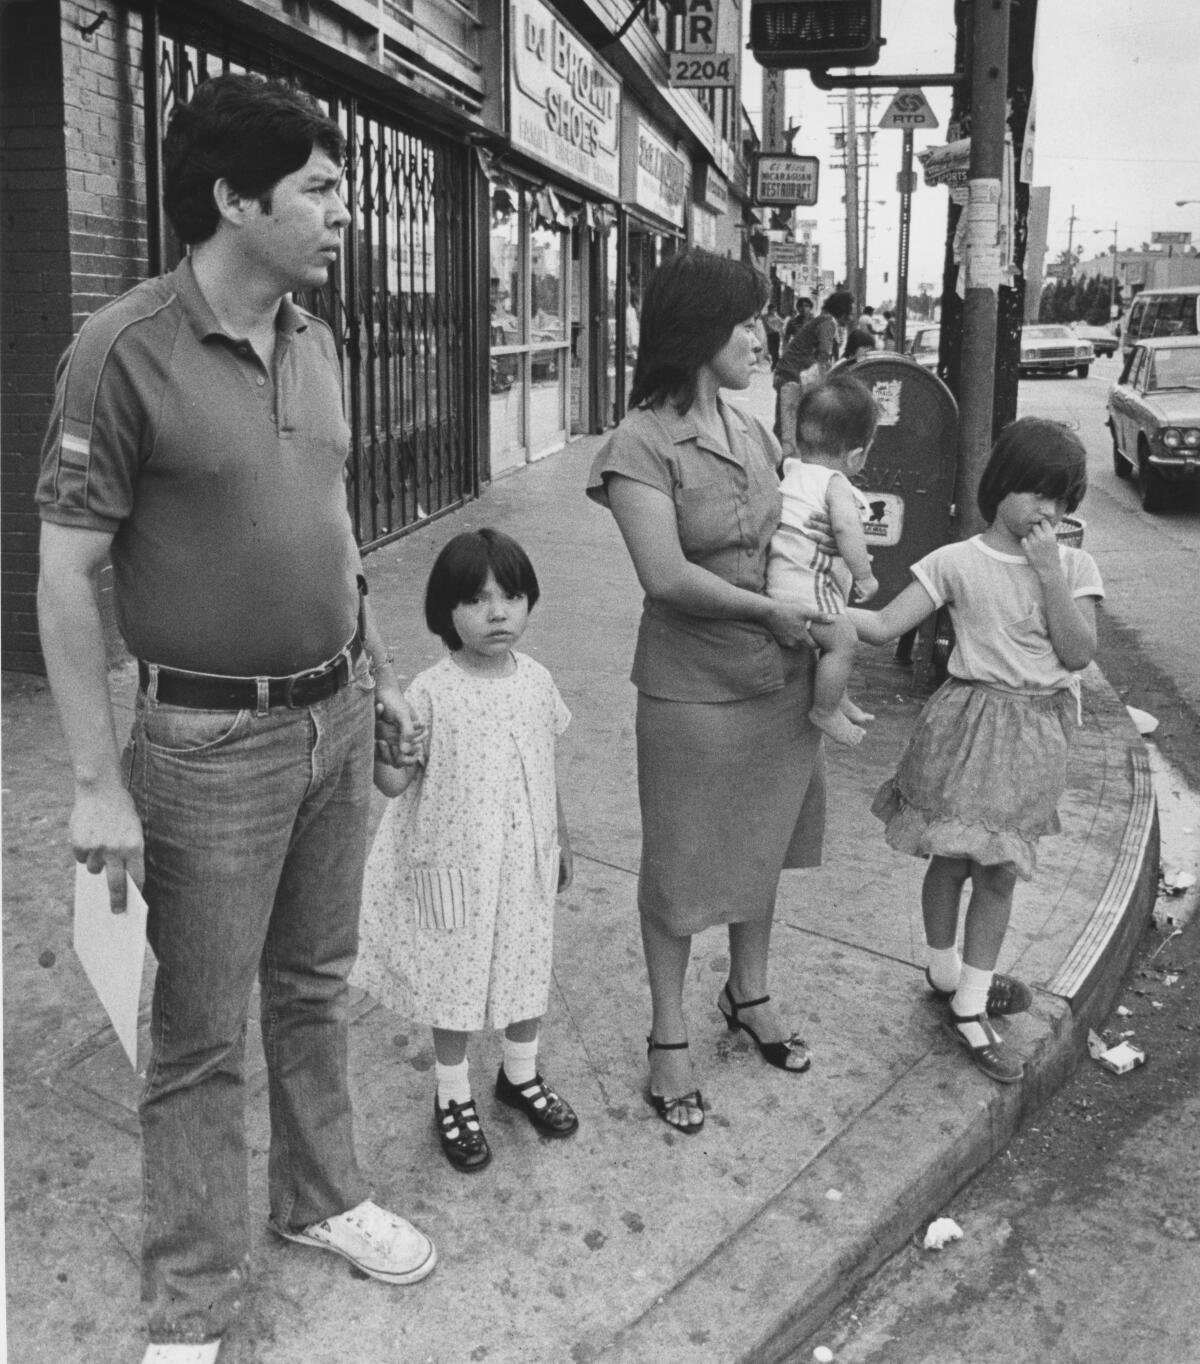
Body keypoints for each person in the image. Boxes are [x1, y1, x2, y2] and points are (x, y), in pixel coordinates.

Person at [35, 74, 436, 1364]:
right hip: (207, 746)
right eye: (321, 188)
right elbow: (62, 572)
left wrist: (374, 675)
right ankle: (195, 1298)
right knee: (199, 1037)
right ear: (232, 197)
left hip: (333, 714)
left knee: (315, 987)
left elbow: (334, 533)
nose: (344, 212)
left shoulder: (317, 341)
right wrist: (98, 782)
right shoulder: (121, 349)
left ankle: (320, 1199)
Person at [587, 250, 837, 1137]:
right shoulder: (639, 445)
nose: (762, 338)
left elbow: (794, 533)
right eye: (746, 323)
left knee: (761, 848)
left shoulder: (756, 431)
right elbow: (665, 576)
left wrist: (830, 568)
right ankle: (668, 1035)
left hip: (781, 680)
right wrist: (773, 610)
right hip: (693, 686)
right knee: (683, 867)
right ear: (698, 330)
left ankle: (749, 993)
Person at [849, 418, 1103, 1084]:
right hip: (964, 724)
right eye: (1032, 493)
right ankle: (948, 975)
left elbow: (1077, 651)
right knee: (953, 859)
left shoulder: (1074, 565)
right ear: (999, 487)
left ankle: (969, 997)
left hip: (1036, 737)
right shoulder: (954, 561)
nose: (1045, 512)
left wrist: (1049, 573)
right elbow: (879, 627)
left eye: (1060, 499)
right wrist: (806, 605)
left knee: (999, 870)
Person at [352, 529, 577, 1174]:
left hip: (524, 863)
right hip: (455, 869)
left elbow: (546, 760)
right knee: (452, 980)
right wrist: (379, 744)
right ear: (445, 613)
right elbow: (395, 782)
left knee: (526, 965)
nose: (498, 612)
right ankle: (452, 1093)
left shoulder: (537, 680)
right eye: (478, 600)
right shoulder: (428, 692)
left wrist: (560, 835)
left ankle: (520, 1074)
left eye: (511, 596)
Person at [767, 375, 879, 746]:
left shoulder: (792, 471)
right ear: (856, 456)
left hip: (783, 581)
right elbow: (847, 529)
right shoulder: (835, 483)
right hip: (807, 588)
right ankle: (825, 709)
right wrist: (864, 576)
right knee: (844, 640)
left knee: (834, 642)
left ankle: (837, 694)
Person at [774, 290, 857, 456]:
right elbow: (823, 358)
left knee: (785, 425)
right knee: (788, 430)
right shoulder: (828, 323)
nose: (853, 315)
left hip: (787, 373)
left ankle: (777, 465)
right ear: (843, 311)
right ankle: (779, 468)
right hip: (792, 376)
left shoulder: (823, 320)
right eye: (851, 310)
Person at [764, 303, 786, 369]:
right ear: (769, 310)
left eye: (775, 310)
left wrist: (778, 328)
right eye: (773, 310)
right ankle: (776, 361)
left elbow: (782, 323)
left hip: (776, 334)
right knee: (771, 350)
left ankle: (775, 363)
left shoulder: (776, 316)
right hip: (770, 335)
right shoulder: (765, 316)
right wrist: (775, 328)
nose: (774, 311)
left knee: (775, 350)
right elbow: (767, 325)